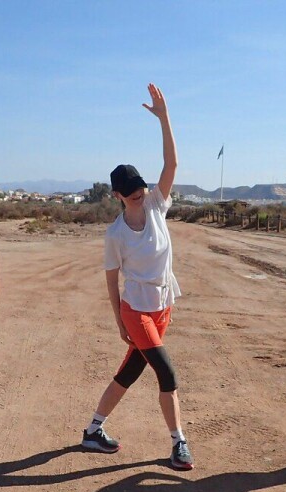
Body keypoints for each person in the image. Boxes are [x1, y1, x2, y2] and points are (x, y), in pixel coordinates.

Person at [81, 84, 194, 470]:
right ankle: (178, 442)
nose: (140, 199)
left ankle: (93, 430)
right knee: (166, 371)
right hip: (136, 310)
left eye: (142, 193)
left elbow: (172, 164)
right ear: (117, 197)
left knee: (130, 371)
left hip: (163, 304)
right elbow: (112, 281)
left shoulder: (158, 205)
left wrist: (164, 119)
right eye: (131, 197)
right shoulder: (115, 234)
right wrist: (119, 322)